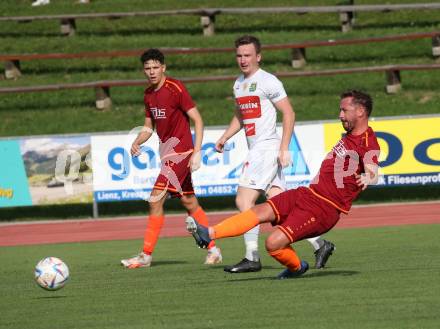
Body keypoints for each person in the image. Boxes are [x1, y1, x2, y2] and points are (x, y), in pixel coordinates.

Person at [187, 89, 380, 279]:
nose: (340, 115)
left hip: (324, 208)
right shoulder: (349, 136)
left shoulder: (368, 142)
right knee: (258, 212)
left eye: (344, 110)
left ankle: (297, 267)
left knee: (272, 244)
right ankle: (209, 234)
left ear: (360, 111)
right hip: (307, 194)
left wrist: (368, 177)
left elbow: (373, 173)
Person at [214, 35, 334, 273]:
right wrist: (226, 136)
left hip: (266, 148)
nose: (243, 60)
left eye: (248, 55)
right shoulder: (238, 84)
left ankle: (252, 256)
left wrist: (284, 147)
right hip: (257, 149)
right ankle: (320, 244)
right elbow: (241, 115)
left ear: (258, 56)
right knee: (279, 206)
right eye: (239, 55)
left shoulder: (269, 81)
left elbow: (288, 113)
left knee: (244, 201)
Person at [121, 48, 222, 268]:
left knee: (155, 199)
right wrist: (137, 141)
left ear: (163, 67)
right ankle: (214, 249)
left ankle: (145, 255)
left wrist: (197, 152)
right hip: (167, 155)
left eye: (155, 67)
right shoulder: (148, 94)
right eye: (147, 68)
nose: (151, 71)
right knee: (189, 202)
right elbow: (149, 127)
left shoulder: (175, 88)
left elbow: (198, 120)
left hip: (181, 154)